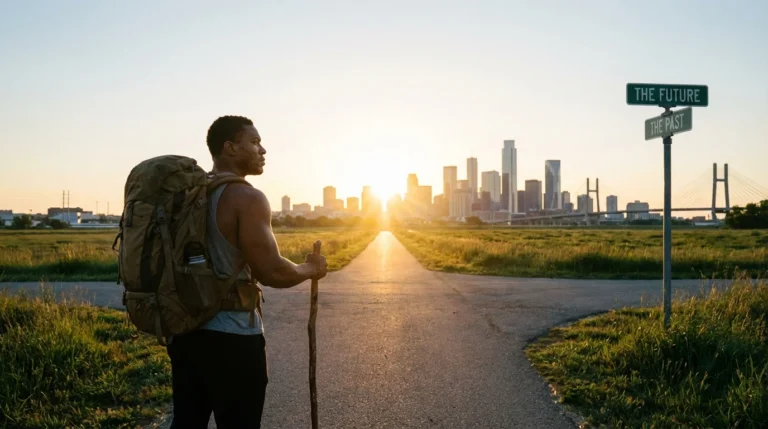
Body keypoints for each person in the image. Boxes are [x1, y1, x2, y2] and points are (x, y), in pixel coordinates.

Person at [167, 115, 328, 428]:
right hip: (232, 339)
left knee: (187, 422)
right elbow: (272, 272)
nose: (262, 150)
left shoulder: (189, 197)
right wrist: (309, 268)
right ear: (230, 148)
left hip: (185, 332)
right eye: (254, 142)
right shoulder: (248, 197)